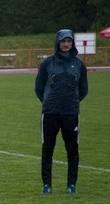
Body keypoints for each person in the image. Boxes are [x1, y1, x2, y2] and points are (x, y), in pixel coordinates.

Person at [34, 29, 88, 195]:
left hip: (71, 113)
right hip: (50, 113)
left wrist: (71, 101)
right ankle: (47, 185)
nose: (66, 44)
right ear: (57, 43)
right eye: (63, 41)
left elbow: (83, 89)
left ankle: (71, 184)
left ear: (72, 43)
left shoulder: (79, 65)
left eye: (69, 41)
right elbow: (39, 88)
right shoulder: (47, 63)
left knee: (72, 150)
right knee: (47, 149)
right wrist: (50, 101)